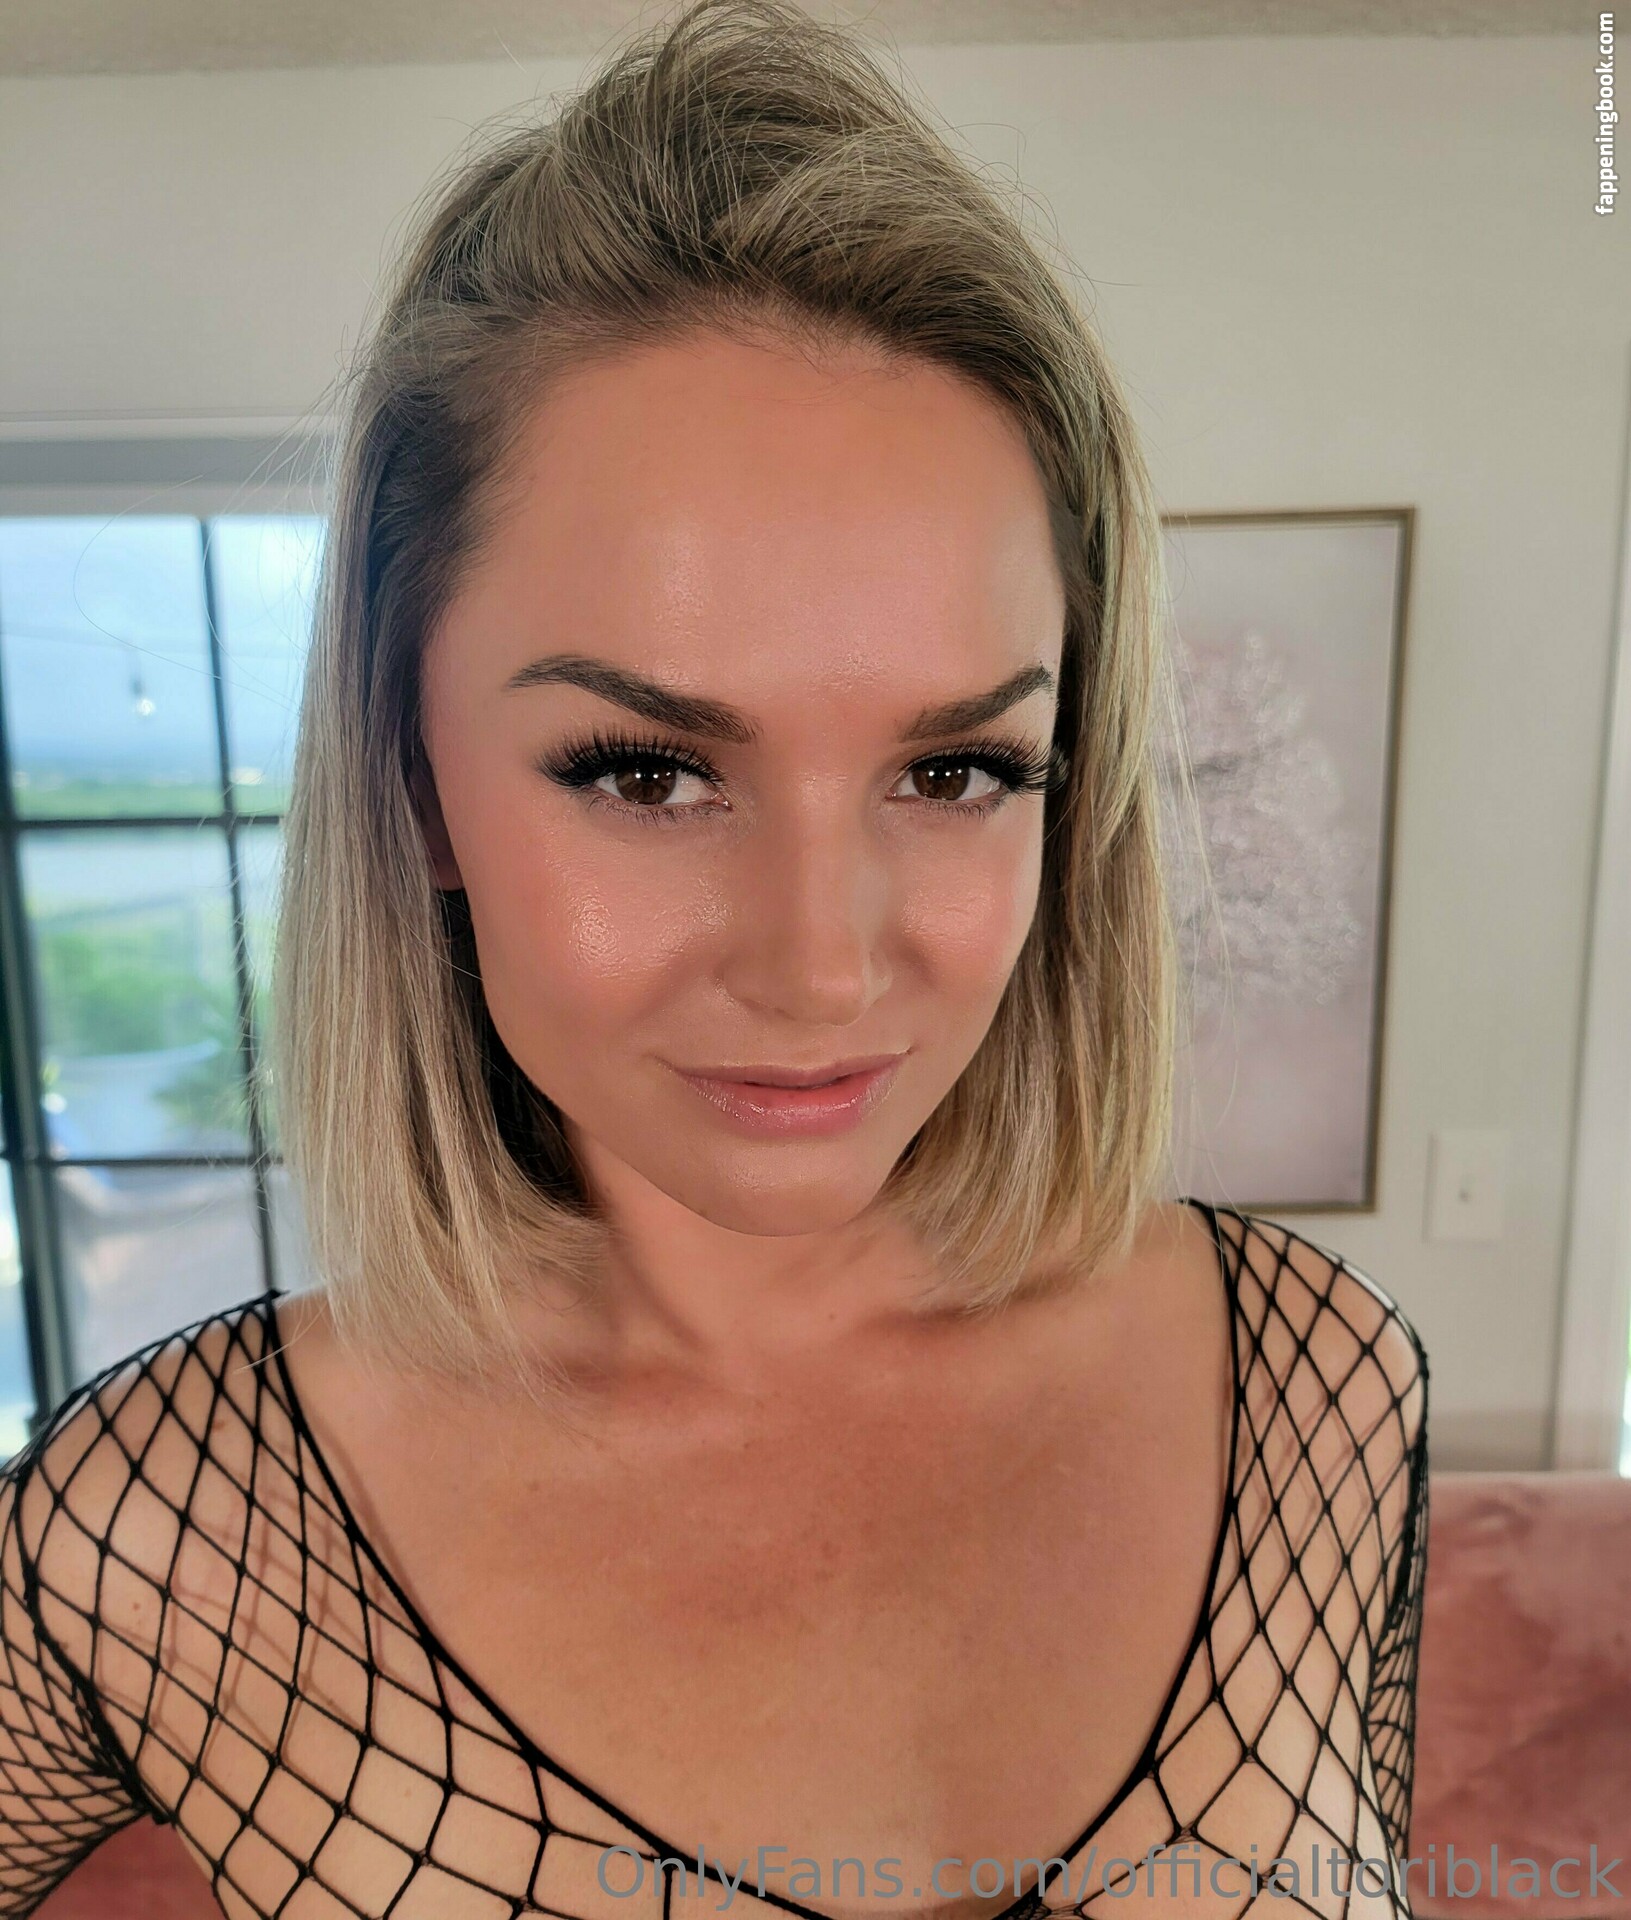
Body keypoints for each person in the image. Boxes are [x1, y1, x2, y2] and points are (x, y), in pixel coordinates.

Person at [0, 1, 1429, 1915]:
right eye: (648, 772)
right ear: (415, 784)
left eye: (956, 768)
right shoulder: (162, 1533)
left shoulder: (1326, 1396)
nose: (822, 968)